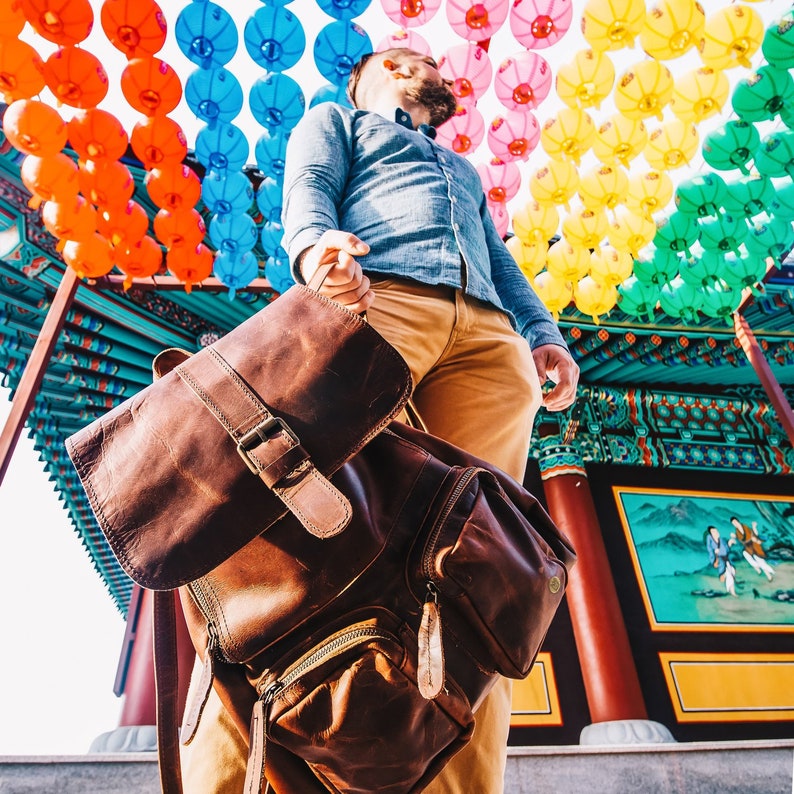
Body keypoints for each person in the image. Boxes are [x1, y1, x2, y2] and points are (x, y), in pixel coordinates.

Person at [182, 47, 579, 793]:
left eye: (426, 58)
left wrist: (544, 335)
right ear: (366, 75)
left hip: (490, 344)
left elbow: (500, 258)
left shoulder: (461, 170)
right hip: (373, 303)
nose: (419, 63)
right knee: (278, 546)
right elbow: (308, 187)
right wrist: (313, 250)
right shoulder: (337, 119)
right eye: (401, 57)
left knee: (484, 571)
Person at [730, 516, 775, 581]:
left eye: (735, 522)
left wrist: (754, 527)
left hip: (754, 545)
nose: (735, 524)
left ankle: (769, 575)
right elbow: (740, 540)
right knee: (745, 554)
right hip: (748, 548)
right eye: (733, 523)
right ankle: (757, 567)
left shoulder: (745, 526)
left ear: (738, 521)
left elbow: (755, 534)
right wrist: (735, 536)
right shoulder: (737, 532)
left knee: (760, 560)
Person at [705, 525, 737, 597]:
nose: (716, 532)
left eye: (716, 531)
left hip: (727, 560)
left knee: (733, 572)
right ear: (711, 534)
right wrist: (714, 559)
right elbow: (710, 552)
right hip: (720, 561)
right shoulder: (711, 543)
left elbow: (727, 550)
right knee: (729, 575)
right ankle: (732, 592)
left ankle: (730, 590)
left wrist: (729, 543)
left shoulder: (722, 540)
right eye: (713, 531)